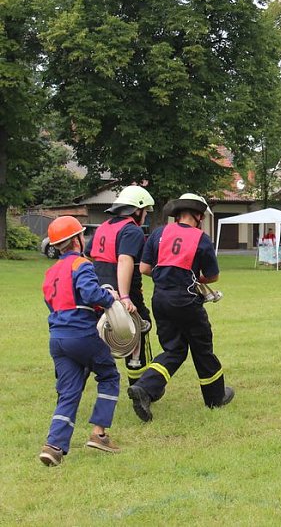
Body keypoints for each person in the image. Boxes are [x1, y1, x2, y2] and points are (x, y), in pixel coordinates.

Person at [127, 194, 234, 422]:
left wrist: (165, 274)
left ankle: (144, 388)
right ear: (198, 215)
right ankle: (215, 397)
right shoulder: (200, 238)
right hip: (186, 301)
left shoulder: (158, 233)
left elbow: (145, 268)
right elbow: (213, 276)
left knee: (173, 350)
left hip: (160, 300)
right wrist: (196, 280)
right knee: (202, 347)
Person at [39, 216, 122, 466]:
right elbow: (89, 293)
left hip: (57, 338)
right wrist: (109, 298)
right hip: (81, 335)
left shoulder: (51, 271)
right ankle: (99, 434)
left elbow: (52, 301)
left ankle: (53, 446)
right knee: (109, 376)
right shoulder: (81, 264)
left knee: (69, 391)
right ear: (77, 239)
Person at [85, 185, 154, 385]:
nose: (146, 215)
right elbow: (125, 260)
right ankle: (139, 388)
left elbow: (89, 256)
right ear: (137, 209)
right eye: (146, 211)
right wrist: (124, 296)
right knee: (139, 329)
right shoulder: (131, 230)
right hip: (124, 291)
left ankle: (77, 380)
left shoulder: (104, 226)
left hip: (99, 291)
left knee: (100, 336)